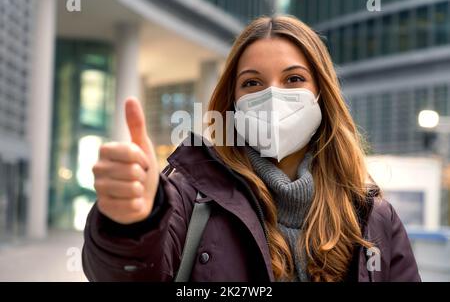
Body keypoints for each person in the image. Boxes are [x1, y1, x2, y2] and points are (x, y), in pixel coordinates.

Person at [83, 15, 421, 282]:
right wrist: (130, 225)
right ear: (232, 104)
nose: (272, 96)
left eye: (293, 79)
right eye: (252, 83)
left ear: (322, 95)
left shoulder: (373, 218)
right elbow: (127, 273)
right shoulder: (188, 199)